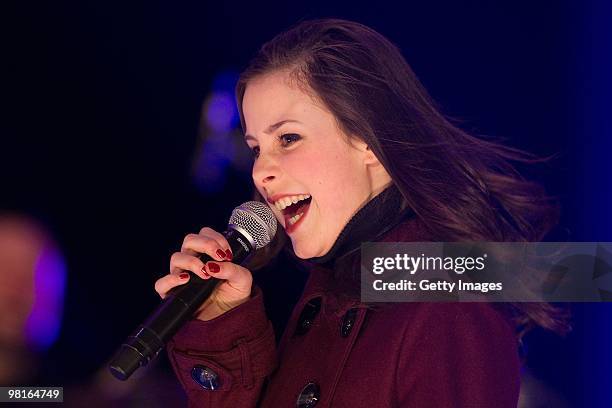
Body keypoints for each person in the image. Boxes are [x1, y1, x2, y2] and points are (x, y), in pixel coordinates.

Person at [154, 19, 567, 407]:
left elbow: (580, 271)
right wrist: (224, 333)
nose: (261, 171)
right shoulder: (341, 289)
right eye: (256, 148)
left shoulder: (444, 301)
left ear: (368, 140)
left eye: (288, 138)